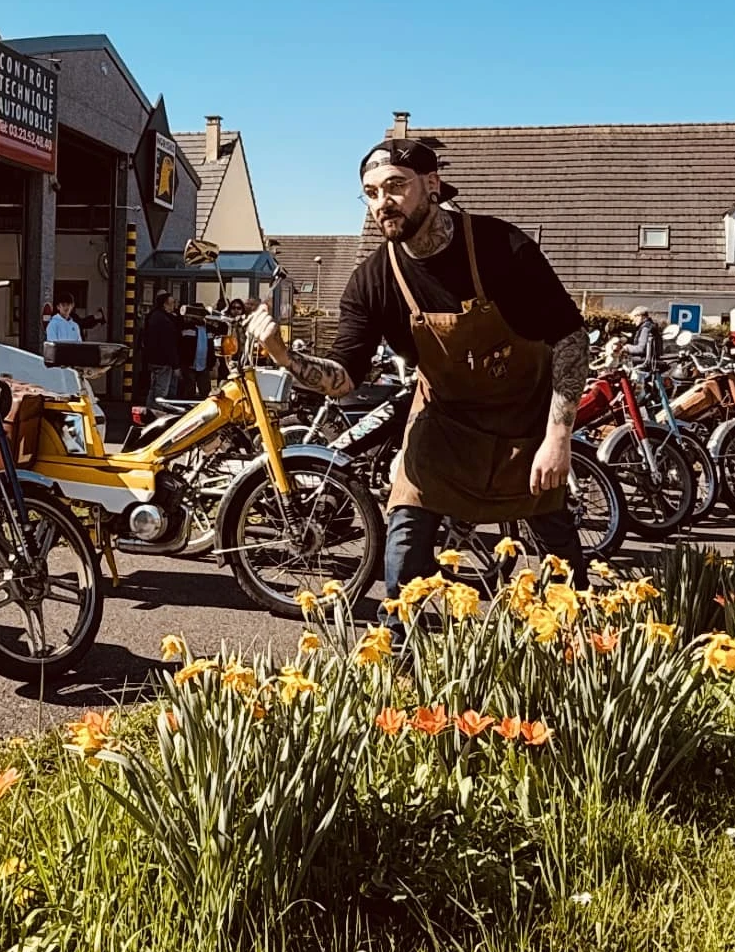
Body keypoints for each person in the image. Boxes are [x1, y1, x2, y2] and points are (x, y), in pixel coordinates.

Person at [247, 135, 591, 621]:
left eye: (395, 187)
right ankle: (398, 657)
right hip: (444, 424)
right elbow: (345, 376)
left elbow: (572, 340)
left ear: (431, 185)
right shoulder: (373, 280)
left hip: (525, 424)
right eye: (370, 193)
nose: (381, 203)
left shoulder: (501, 248)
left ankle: (577, 644)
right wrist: (283, 355)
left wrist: (558, 437)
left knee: (558, 552)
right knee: (405, 534)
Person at [144, 289, 183, 406]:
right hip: (164, 361)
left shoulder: (153, 316)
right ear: (165, 304)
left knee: (154, 387)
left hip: (153, 359)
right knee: (161, 390)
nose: (174, 306)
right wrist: (176, 365)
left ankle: (149, 410)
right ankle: (157, 412)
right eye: (172, 304)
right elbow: (169, 345)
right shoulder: (165, 321)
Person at [179, 307, 214, 398]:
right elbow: (181, 346)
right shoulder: (185, 327)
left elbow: (212, 346)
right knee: (188, 390)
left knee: (206, 391)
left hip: (204, 366)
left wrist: (211, 363)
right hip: (189, 365)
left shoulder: (209, 329)